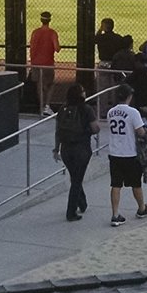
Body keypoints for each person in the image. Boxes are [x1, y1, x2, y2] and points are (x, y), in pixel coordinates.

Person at [104, 85, 147, 227]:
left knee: (115, 184)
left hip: (114, 152)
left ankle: (115, 214)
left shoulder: (110, 112)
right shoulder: (133, 112)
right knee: (135, 183)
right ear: (129, 97)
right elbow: (140, 132)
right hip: (129, 153)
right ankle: (141, 208)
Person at [53, 83, 96, 221]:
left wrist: (56, 148)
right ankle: (71, 211)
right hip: (81, 148)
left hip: (66, 149)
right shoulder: (86, 109)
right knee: (77, 180)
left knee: (75, 176)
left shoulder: (62, 109)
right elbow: (95, 128)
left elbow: (58, 131)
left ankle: (82, 203)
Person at [28, 11, 61, 115]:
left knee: (39, 85)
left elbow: (32, 46)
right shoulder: (52, 33)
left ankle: (42, 106)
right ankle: (47, 105)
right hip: (47, 63)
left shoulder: (35, 32)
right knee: (50, 84)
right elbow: (57, 48)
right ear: (49, 20)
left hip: (35, 62)